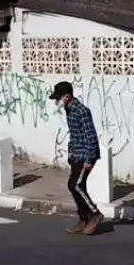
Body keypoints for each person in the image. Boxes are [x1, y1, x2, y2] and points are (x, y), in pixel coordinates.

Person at [49, 81, 104, 235]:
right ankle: (83, 219)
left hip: (86, 154)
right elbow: (75, 134)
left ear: (67, 97)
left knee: (76, 185)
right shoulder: (69, 109)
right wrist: (71, 154)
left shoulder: (82, 111)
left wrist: (89, 159)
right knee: (75, 186)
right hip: (77, 154)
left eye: (58, 98)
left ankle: (95, 214)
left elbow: (90, 136)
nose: (56, 102)